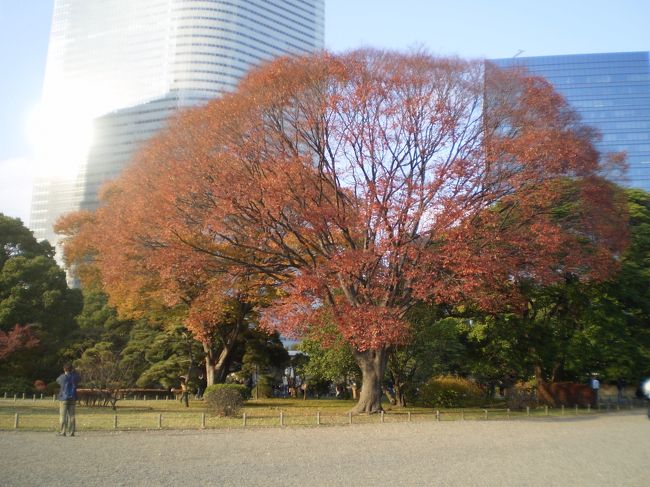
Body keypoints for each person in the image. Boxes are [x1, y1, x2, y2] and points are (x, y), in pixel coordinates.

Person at [56, 364, 80, 436]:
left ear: (64, 369)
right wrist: (74, 372)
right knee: (72, 415)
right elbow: (79, 378)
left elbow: (57, 381)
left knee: (63, 416)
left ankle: (63, 431)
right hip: (73, 397)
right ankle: (72, 431)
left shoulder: (62, 377)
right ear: (71, 369)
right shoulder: (75, 377)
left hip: (63, 398)